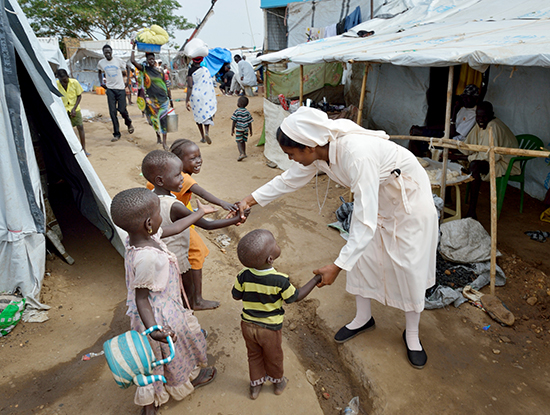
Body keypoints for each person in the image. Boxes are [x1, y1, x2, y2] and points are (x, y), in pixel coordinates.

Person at [235, 107, 438, 370]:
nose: (291, 160)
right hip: (378, 199)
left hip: (408, 201)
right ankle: (363, 318)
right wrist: (248, 201)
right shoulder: (318, 155)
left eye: (291, 154)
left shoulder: (356, 155)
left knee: (408, 267)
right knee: (363, 258)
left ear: (308, 147)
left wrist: (337, 266)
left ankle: (412, 334)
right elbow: (287, 181)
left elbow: (364, 220)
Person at [110, 187, 217, 415]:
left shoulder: (142, 238)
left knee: (157, 357)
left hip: (166, 307)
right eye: (160, 213)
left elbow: (176, 227)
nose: (163, 217)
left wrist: (199, 212)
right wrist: (155, 330)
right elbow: (142, 299)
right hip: (159, 315)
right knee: (165, 355)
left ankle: (153, 401)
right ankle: (173, 388)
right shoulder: (147, 257)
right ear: (149, 222)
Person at [142, 150, 246, 309]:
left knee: (168, 294)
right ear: (160, 180)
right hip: (176, 260)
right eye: (177, 175)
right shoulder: (175, 206)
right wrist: (236, 219)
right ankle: (188, 314)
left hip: (159, 257)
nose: (183, 178)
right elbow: (207, 225)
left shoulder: (150, 197)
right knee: (182, 293)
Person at [233, 229, 322, 399]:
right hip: (269, 329)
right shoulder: (280, 281)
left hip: (247, 325)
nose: (276, 243)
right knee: (273, 356)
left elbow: (236, 295)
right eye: (274, 243)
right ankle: (278, 383)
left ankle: (255, 386)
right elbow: (295, 297)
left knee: (253, 355)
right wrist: (316, 279)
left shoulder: (243, 275)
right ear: (270, 259)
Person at [460, 101, 520, 219]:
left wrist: (465, 157)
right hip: (491, 159)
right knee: (459, 162)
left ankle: (472, 211)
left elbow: (489, 157)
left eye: (484, 116)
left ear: (491, 114)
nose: (480, 119)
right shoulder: (481, 124)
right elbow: (467, 147)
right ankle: (448, 199)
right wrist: (456, 154)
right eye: (478, 116)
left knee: (474, 166)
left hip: (505, 163)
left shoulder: (493, 126)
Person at [409, 84, 480, 157]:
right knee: (415, 133)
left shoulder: (474, 114)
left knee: (415, 136)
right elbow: (446, 126)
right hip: (444, 134)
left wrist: (455, 112)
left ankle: (419, 162)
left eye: (467, 97)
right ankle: (419, 160)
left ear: (475, 98)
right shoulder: (463, 109)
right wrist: (423, 128)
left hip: (452, 141)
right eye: (463, 97)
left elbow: (452, 133)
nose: (464, 100)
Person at [131, 44, 173, 150]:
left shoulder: (160, 71)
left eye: (152, 59)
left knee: (163, 121)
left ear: (154, 60)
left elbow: (166, 86)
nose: (151, 61)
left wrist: (170, 98)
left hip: (163, 99)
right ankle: (158, 136)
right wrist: (133, 46)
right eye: (149, 59)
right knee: (153, 120)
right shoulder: (144, 69)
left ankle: (164, 143)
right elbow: (132, 61)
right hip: (152, 101)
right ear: (146, 60)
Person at [97, 44, 134, 142]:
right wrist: (101, 82)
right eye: (106, 52)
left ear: (112, 52)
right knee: (112, 112)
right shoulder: (101, 63)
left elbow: (128, 67)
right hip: (110, 89)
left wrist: (128, 81)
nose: (108, 54)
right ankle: (116, 134)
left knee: (122, 110)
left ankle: (128, 123)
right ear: (103, 53)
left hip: (120, 89)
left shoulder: (118, 60)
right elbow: (99, 72)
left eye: (109, 52)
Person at [56, 69, 89, 156]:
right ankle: (70, 150)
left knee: (80, 127)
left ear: (68, 77)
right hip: (63, 110)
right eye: (62, 81)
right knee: (67, 130)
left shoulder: (74, 82)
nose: (64, 83)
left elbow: (79, 96)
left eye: (65, 80)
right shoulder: (56, 85)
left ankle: (83, 149)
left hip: (75, 108)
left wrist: (74, 109)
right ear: (58, 78)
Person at [186, 56, 217, 145]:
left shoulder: (191, 71)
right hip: (206, 95)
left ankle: (203, 137)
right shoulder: (205, 70)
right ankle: (207, 132)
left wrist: (186, 100)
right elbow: (210, 85)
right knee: (206, 115)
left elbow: (190, 86)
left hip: (196, 96)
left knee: (198, 116)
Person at [231, 96, 253, 161]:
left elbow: (234, 121)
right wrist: (251, 130)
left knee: (238, 141)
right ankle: (244, 152)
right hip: (246, 129)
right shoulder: (247, 112)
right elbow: (250, 122)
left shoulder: (237, 111)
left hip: (239, 129)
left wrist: (232, 129)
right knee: (243, 141)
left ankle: (241, 154)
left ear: (239, 104)